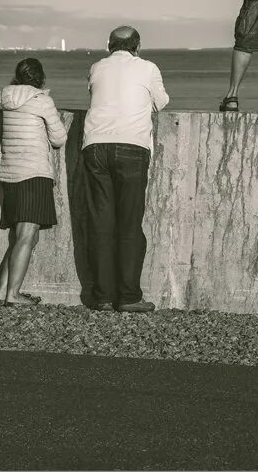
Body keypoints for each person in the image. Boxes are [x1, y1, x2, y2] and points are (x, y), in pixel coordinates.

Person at [81, 26, 168, 313]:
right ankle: (128, 296)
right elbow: (161, 103)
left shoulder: (96, 67)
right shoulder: (148, 68)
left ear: (109, 45)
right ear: (137, 45)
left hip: (95, 146)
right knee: (129, 224)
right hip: (131, 146)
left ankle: (103, 296)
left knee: (101, 224)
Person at [0, 57, 67, 307]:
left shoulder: (8, 99)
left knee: (25, 237)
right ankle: (13, 295)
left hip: (9, 171)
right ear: (40, 78)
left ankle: (1, 293)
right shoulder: (41, 100)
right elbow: (59, 138)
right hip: (33, 172)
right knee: (27, 233)